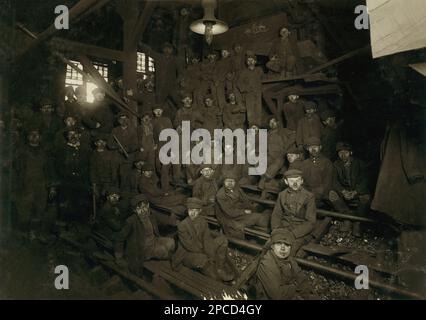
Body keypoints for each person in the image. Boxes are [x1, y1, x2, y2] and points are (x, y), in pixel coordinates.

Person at [172, 198, 234, 282]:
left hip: (201, 249)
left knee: (222, 240)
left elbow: (207, 239)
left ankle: (219, 268)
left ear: (200, 211)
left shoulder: (202, 221)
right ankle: (214, 274)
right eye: (190, 210)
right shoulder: (182, 226)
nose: (192, 213)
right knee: (204, 262)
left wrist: (210, 253)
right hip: (187, 254)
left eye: (195, 210)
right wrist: (207, 254)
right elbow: (190, 246)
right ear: (187, 211)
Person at [12, 127, 56, 239]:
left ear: (40, 137)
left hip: (41, 186)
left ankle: (34, 231)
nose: (34, 136)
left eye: (37, 134)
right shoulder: (21, 151)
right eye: (32, 134)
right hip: (25, 186)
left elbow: (50, 170)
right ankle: (23, 233)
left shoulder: (45, 152)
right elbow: (15, 170)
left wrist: (52, 187)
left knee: (39, 209)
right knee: (24, 211)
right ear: (27, 137)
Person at [116, 194, 175, 275]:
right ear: (134, 210)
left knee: (171, 242)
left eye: (145, 207)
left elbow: (162, 221)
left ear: (148, 206)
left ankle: (173, 258)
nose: (143, 210)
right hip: (143, 248)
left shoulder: (150, 215)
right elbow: (120, 238)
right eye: (139, 208)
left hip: (154, 240)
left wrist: (174, 222)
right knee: (163, 251)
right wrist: (119, 256)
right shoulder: (131, 221)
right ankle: (172, 264)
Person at [328, 142, 371, 236]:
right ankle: (346, 218)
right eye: (340, 153)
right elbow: (334, 181)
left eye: (346, 152)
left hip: (357, 191)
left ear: (351, 153)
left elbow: (365, 181)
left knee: (366, 197)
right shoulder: (336, 164)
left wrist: (355, 192)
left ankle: (357, 222)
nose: (343, 155)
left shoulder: (360, 163)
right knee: (331, 194)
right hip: (344, 191)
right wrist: (343, 191)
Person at [256, 228, 310, 300]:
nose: (283, 248)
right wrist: (295, 286)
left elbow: (302, 278)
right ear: (272, 246)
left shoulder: (289, 259)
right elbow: (277, 295)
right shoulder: (267, 263)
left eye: (287, 245)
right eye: (279, 243)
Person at [271, 169, 316, 250]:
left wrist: (293, 234)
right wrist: (276, 229)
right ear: (286, 182)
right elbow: (276, 215)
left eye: (298, 180)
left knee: (290, 250)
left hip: (300, 231)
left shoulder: (309, 196)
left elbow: (310, 222)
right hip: (284, 227)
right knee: (270, 246)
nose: (295, 183)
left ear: (302, 181)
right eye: (291, 181)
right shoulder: (282, 195)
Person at [216, 173, 269, 239]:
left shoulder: (237, 189)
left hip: (238, 213)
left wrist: (251, 207)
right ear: (223, 182)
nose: (230, 183)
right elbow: (229, 212)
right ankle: (246, 241)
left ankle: (261, 237)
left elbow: (246, 200)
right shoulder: (221, 195)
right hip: (228, 217)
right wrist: (244, 211)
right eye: (227, 181)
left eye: (232, 181)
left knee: (261, 217)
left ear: (235, 182)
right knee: (241, 226)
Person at [301, 137, 333, 206]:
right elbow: (302, 181)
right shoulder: (304, 163)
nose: (313, 149)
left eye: (315, 147)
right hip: (307, 193)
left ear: (320, 147)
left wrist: (316, 193)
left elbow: (327, 183)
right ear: (307, 149)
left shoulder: (326, 162)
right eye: (310, 147)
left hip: (321, 195)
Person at [237, 51, 263, 127]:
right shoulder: (244, 72)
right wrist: (245, 89)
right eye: (248, 60)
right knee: (250, 114)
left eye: (252, 60)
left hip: (258, 94)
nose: (250, 62)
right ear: (246, 62)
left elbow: (264, 79)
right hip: (249, 95)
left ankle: (260, 134)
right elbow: (238, 83)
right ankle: (251, 134)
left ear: (255, 61)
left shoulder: (259, 70)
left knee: (258, 112)